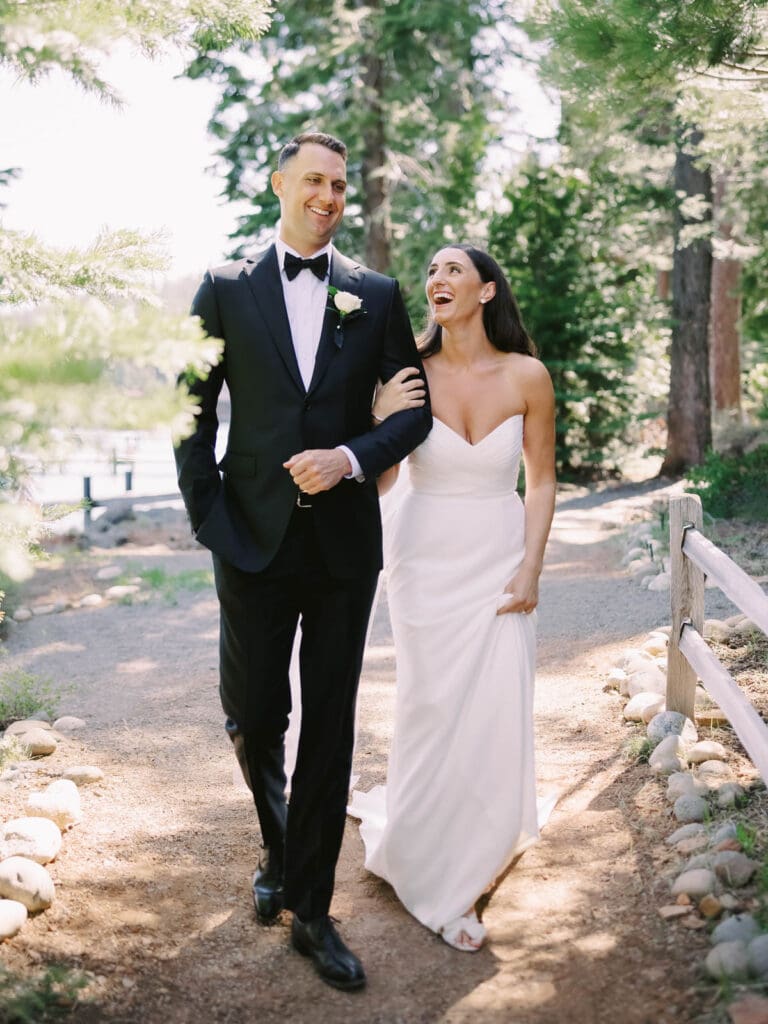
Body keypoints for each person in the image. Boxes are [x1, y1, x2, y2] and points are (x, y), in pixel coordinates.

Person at [174, 131, 431, 991]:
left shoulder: (377, 293)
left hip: (344, 545)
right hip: (248, 536)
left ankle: (313, 909)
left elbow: (413, 414)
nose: (329, 195)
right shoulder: (223, 287)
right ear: (278, 182)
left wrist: (351, 457)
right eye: (314, 180)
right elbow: (190, 406)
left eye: (340, 184)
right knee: (252, 711)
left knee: (329, 719)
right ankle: (282, 848)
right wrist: (208, 512)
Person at [348, 243, 556, 952]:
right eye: (432, 272)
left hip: (498, 552)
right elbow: (378, 483)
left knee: (498, 698)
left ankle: (475, 852)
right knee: (430, 701)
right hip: (423, 555)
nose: (437, 280)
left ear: (487, 291)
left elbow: (543, 479)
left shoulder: (528, 375)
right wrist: (378, 424)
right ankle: (425, 844)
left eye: (453, 270)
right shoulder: (409, 376)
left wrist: (531, 567)